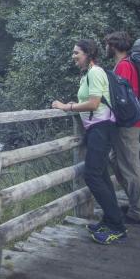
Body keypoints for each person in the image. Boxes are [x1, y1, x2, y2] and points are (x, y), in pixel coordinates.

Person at [52, 39, 127, 244]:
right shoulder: (88, 74)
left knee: (92, 175)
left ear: (88, 53)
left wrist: (65, 107)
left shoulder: (95, 72)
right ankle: (111, 219)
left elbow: (94, 104)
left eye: (76, 52)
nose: (73, 56)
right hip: (98, 129)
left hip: (102, 129)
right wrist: (75, 104)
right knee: (100, 175)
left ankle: (117, 227)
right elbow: (92, 101)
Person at [105, 31, 140, 225]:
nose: (105, 47)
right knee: (118, 160)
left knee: (130, 166)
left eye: (107, 44)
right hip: (131, 121)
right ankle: (136, 203)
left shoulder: (123, 66)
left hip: (127, 124)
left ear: (113, 46)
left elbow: (118, 99)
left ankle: (138, 212)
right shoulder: (128, 64)